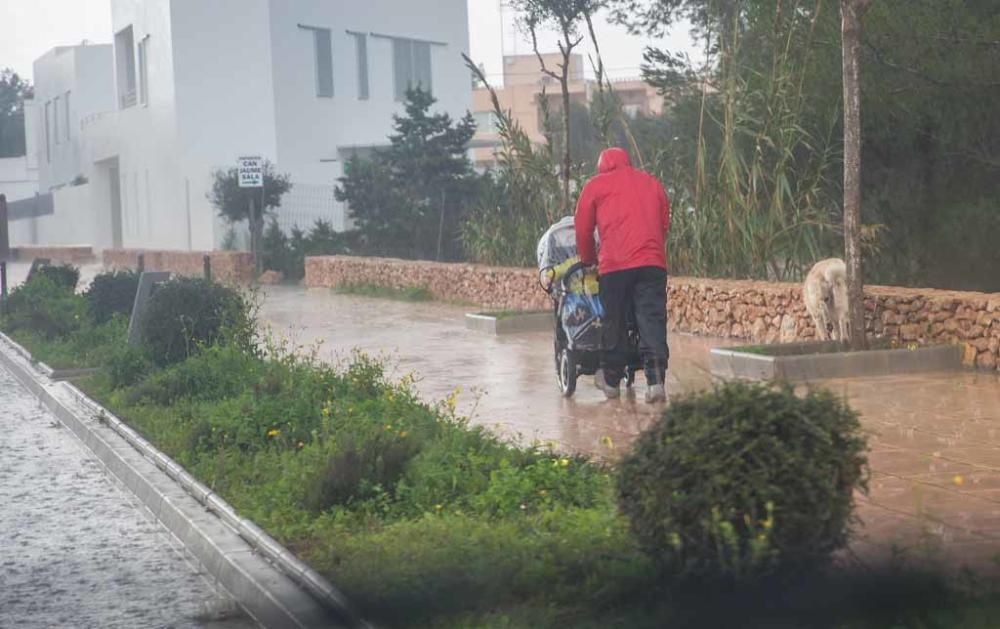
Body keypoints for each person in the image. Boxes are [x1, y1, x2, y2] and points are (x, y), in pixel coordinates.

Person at [574, 147, 671, 403]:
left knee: (614, 321)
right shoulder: (652, 182)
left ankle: (612, 380)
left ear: (602, 166)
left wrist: (588, 261)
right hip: (652, 263)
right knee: (652, 318)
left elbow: (583, 230)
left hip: (615, 265)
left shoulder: (595, 186)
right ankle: (656, 380)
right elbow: (663, 223)